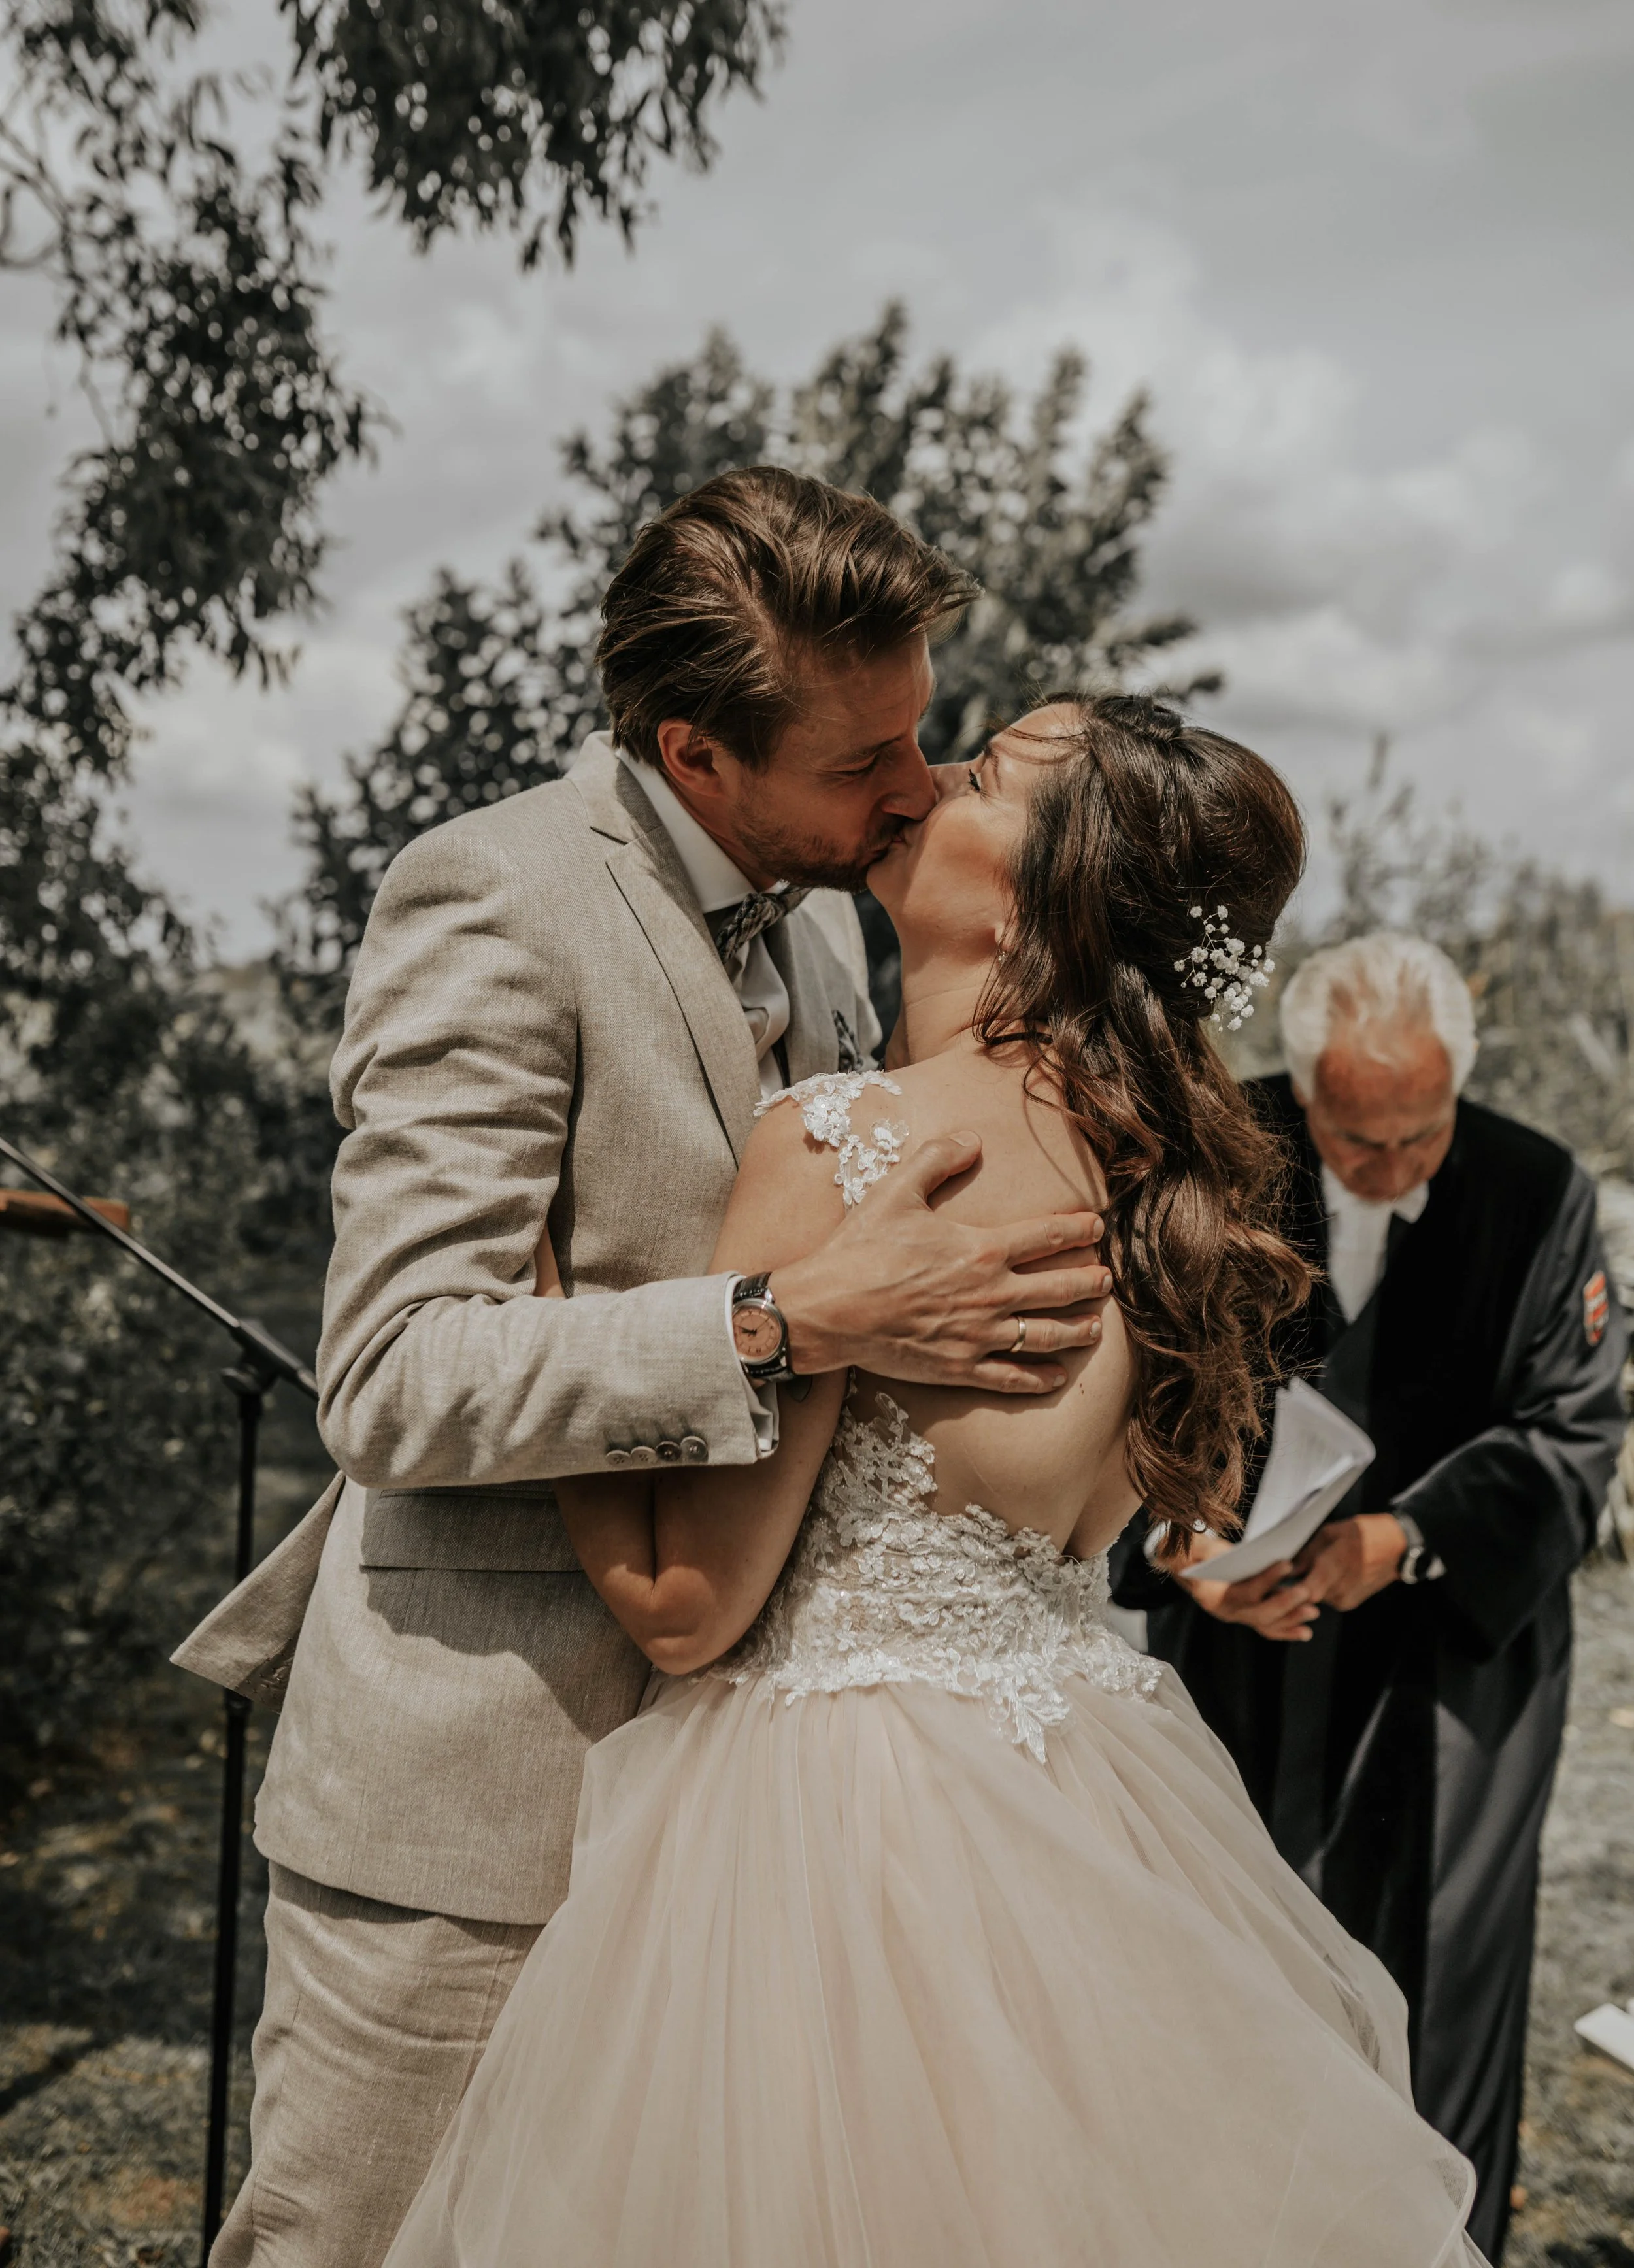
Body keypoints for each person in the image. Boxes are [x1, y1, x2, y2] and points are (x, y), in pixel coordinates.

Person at [382, 699, 1489, 2268]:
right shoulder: (1166, 1179)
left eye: (983, 775)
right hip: (1091, 1806)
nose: (928, 774)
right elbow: (1156, 1509)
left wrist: (567, 1314)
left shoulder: (849, 1145)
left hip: (835, 1839)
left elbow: (683, 1607)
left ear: (1048, 891)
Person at [170, 469, 1117, 2268]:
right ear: (695, 754)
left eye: (923, 736)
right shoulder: (493, 896)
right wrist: (783, 1322)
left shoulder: (841, 922)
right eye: (865, 761)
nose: (914, 788)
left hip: (748, 1814)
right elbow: (385, 1370)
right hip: (479, 1791)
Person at [1114, 932, 1627, 2263]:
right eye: (1354, 1137)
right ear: (1301, 1086)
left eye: (1418, 1134)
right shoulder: (1217, 1156)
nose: (1390, 1169)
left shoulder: (1534, 1190)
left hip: (1450, 1667)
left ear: (1456, 1085)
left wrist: (1399, 1538)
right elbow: (1127, 1394)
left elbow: (1571, 1431)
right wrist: (1183, 1557)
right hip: (1237, 1649)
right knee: (1229, 1953)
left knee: (1436, 1977)